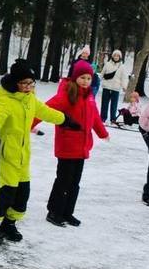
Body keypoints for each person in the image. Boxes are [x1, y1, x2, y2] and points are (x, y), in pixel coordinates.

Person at [0, 59, 78, 244]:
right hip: (5, 153)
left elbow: (46, 111)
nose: (29, 87)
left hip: (23, 156)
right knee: (3, 192)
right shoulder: (6, 100)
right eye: (24, 83)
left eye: (31, 83)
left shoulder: (30, 100)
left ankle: (9, 224)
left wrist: (65, 120)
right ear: (15, 82)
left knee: (22, 193)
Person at [41, 60, 108, 227]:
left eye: (88, 78)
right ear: (75, 77)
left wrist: (102, 133)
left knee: (75, 182)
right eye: (82, 78)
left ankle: (67, 212)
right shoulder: (67, 94)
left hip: (82, 147)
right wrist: (28, 123)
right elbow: (45, 109)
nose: (85, 81)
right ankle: (54, 211)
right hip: (67, 146)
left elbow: (95, 118)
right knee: (64, 180)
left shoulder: (89, 96)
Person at [100, 50, 128, 124]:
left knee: (114, 105)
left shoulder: (122, 67)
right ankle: (102, 118)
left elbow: (124, 78)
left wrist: (124, 86)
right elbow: (102, 74)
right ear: (112, 56)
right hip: (106, 87)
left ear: (120, 57)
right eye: (115, 55)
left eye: (117, 56)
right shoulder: (107, 64)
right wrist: (101, 80)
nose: (116, 57)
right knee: (104, 104)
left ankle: (113, 118)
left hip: (116, 88)